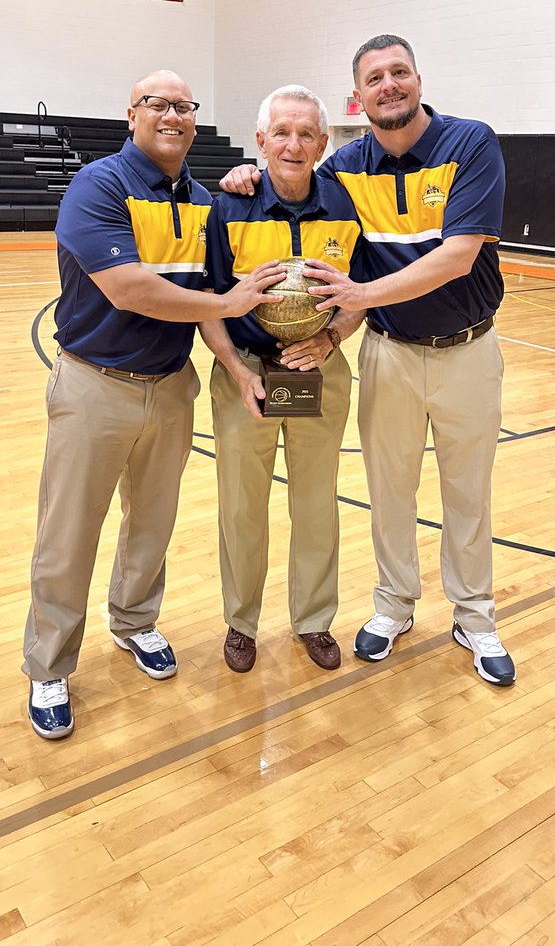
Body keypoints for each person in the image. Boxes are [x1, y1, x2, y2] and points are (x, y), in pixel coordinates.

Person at [219, 35, 515, 686]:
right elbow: (288, 175)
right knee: (390, 493)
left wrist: (358, 299)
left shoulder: (470, 143)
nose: (389, 84)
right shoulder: (343, 167)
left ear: (417, 78)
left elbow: (459, 255)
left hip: (468, 348)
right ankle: (393, 608)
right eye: (374, 77)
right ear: (361, 93)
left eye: (398, 72)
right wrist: (243, 176)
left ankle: (475, 616)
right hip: (387, 354)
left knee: (468, 492)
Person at [23, 69, 287, 739]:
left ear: (195, 119)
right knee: (69, 532)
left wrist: (235, 363)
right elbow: (128, 289)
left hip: (172, 388)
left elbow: (208, 309)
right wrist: (227, 303)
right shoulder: (100, 186)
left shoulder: (201, 200)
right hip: (95, 387)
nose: (173, 115)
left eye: (183, 106)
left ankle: (134, 622)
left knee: (152, 524)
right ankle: (49, 664)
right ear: (131, 115)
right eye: (158, 105)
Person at [201, 86, 365, 674]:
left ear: (323, 143)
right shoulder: (228, 206)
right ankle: (240, 622)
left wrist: (329, 340)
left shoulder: (348, 207)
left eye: (306, 134)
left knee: (316, 501)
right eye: (282, 132)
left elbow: (359, 297)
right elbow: (208, 305)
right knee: (243, 505)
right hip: (247, 372)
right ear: (262, 140)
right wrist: (238, 371)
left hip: (319, 369)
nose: (293, 145)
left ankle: (314, 619)